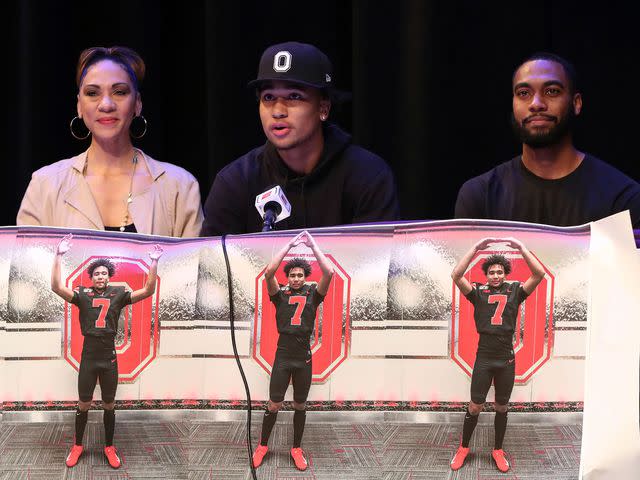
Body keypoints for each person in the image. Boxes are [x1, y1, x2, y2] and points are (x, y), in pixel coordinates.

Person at [201, 41, 399, 236]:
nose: (278, 111)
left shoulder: (368, 176)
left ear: (323, 108)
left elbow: (377, 265)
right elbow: (212, 266)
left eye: (294, 96)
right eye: (268, 97)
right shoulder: (235, 182)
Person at [17, 46, 203, 236]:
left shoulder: (179, 186)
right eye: (92, 93)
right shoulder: (45, 185)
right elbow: (25, 264)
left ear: (137, 104)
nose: (106, 105)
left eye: (119, 92)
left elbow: (193, 264)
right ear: (79, 106)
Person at [455, 52, 640, 228]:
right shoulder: (479, 195)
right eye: (523, 93)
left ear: (576, 103)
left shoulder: (623, 198)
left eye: (552, 91)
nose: (536, 104)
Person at [51, 233, 163, 469]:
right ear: (90, 277)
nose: (100, 276)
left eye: (104, 273)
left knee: (109, 404)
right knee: (83, 403)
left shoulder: (119, 294)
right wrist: (58, 255)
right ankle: (78, 445)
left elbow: (148, 290)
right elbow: (56, 287)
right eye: (96, 273)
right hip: (89, 358)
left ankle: (109, 446)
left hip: (109, 358)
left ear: (109, 276)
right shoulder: (82, 294)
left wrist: (153, 262)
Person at [450, 237, 545, 473]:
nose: (495, 275)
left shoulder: (515, 291)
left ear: (505, 273)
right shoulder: (478, 293)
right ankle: (464, 448)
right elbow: (456, 275)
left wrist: (522, 248)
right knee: (475, 406)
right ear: (486, 275)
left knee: (502, 406)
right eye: (491, 272)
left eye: (499, 271)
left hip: (506, 358)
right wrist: (475, 248)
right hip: (484, 356)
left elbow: (539, 274)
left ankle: (498, 449)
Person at [252, 230, 334, 471]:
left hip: (303, 359)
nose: (296, 278)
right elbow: (268, 272)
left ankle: (296, 448)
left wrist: (312, 245)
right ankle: (263, 445)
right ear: (287, 277)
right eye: (292, 275)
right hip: (283, 356)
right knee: (274, 404)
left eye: (300, 275)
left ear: (305, 277)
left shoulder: (313, 295)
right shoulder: (279, 296)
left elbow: (329, 272)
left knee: (300, 405)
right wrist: (289, 244)